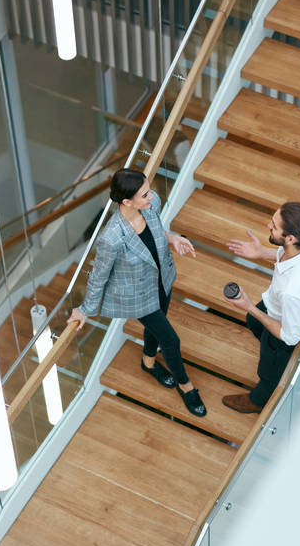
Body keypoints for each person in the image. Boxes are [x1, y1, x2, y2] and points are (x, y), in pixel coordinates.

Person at [69, 169, 206, 417]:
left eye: (149, 190)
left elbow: (154, 235)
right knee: (171, 340)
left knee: (157, 328)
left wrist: (172, 238)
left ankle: (148, 362)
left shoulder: (151, 207)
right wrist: (85, 309)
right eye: (144, 194)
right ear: (126, 202)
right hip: (136, 294)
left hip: (161, 279)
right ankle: (186, 388)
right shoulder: (111, 238)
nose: (151, 196)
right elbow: (98, 276)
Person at [223, 202, 300, 414]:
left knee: (268, 371)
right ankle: (285, 370)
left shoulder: (294, 290)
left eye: (273, 226)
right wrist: (263, 252)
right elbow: (291, 256)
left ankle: (258, 400)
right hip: (278, 305)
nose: (267, 225)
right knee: (253, 322)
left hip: (286, 322)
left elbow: (291, 336)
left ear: (290, 238)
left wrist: (249, 306)